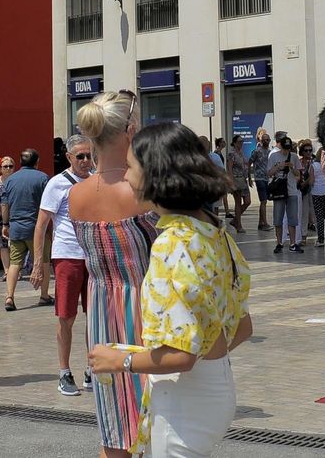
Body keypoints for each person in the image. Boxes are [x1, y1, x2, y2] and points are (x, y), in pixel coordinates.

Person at [88, 123, 252, 457]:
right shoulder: (212, 230)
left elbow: (181, 356)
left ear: (154, 175)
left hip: (183, 405)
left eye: (131, 168)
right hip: (214, 391)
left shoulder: (172, 244)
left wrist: (120, 360)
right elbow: (242, 326)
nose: (126, 178)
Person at [72, 91, 159, 458]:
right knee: (153, 421)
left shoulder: (76, 194)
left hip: (101, 310)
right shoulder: (142, 191)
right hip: (144, 307)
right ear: (130, 130)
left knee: (113, 426)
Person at [32, 135, 96, 397]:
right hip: (67, 255)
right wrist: (38, 263)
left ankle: (93, 369)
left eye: (89, 155)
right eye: (79, 156)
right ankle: (64, 372)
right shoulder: (56, 184)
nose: (85, 161)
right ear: (69, 158)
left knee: (94, 316)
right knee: (66, 317)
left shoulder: (97, 180)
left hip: (94, 257)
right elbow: (41, 224)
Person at [1, 149, 51, 311]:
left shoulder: (9, 180)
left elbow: (4, 205)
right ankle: (44, 295)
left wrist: (5, 224)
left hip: (16, 228)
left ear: (20, 162)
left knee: (15, 263)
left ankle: (9, 297)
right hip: (36, 229)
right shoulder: (43, 178)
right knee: (43, 261)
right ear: (37, 162)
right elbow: (49, 204)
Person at [268, 140, 302, 254]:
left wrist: (292, 167)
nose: (287, 150)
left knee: (293, 218)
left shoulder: (294, 157)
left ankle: (293, 244)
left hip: (292, 191)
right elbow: (269, 173)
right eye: (285, 148)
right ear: (280, 146)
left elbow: (298, 174)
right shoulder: (273, 156)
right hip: (279, 191)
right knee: (278, 218)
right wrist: (278, 166)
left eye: (289, 148)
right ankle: (279, 243)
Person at [225, 135, 250, 234]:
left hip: (243, 180)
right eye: (239, 142)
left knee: (247, 201)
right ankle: (238, 225)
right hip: (236, 179)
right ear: (234, 143)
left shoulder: (241, 153)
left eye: (242, 142)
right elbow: (229, 168)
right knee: (238, 203)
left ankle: (235, 219)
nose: (241, 143)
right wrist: (231, 182)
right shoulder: (232, 154)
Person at [249, 130, 273, 231]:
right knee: (263, 201)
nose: (267, 141)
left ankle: (261, 222)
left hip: (267, 178)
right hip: (259, 178)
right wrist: (249, 177)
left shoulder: (270, 152)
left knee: (264, 201)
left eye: (268, 140)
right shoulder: (257, 151)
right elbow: (249, 162)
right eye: (265, 140)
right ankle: (264, 223)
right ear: (261, 141)